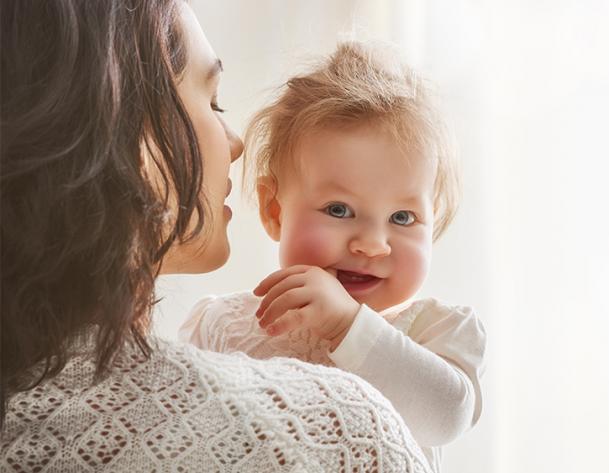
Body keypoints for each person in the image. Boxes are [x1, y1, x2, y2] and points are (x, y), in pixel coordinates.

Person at [0, 1, 432, 471]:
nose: (236, 142)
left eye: (404, 217)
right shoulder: (336, 433)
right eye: (211, 101)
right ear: (118, 128)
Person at [178, 42, 486, 471]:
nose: (372, 244)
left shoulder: (435, 332)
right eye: (339, 210)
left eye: (402, 216)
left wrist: (347, 325)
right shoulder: (223, 326)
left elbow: (447, 416)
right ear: (275, 210)